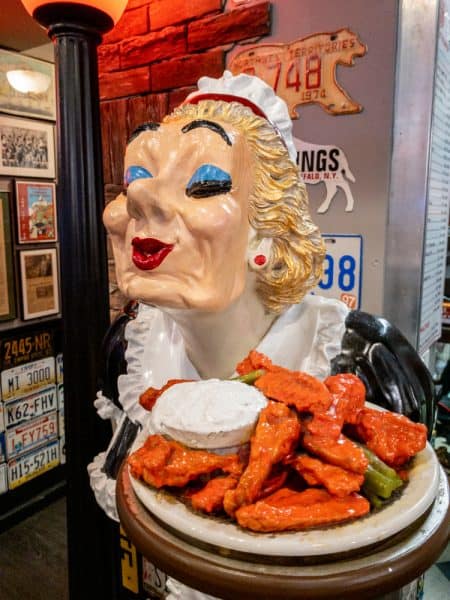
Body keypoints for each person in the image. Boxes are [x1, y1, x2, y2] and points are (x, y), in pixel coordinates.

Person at [88, 71, 434, 600]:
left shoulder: (365, 364)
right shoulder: (130, 352)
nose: (136, 200)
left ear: (270, 229)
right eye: (138, 173)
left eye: (203, 183)